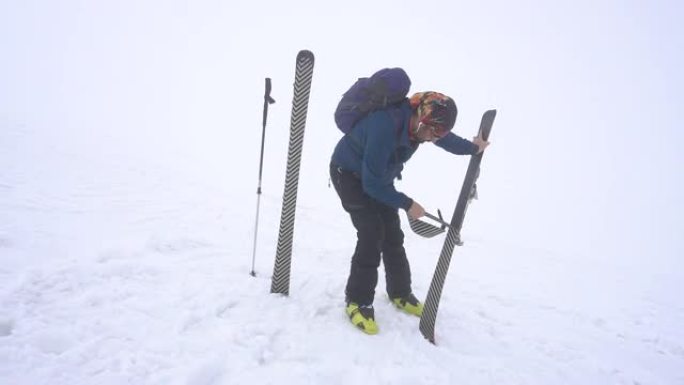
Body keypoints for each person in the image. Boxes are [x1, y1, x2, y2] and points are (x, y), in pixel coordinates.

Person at [329, 87, 489, 335]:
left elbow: (446, 139)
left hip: (378, 177)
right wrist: (407, 203)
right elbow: (371, 186)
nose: (432, 138)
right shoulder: (384, 127)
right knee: (372, 233)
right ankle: (357, 302)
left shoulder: (423, 124)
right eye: (432, 132)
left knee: (393, 234)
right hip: (348, 175)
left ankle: (400, 293)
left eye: (437, 133)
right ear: (422, 118)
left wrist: (473, 148)